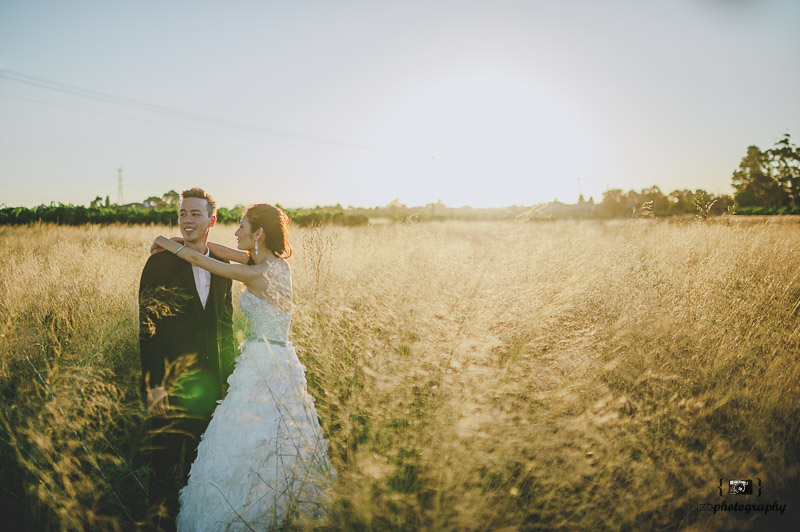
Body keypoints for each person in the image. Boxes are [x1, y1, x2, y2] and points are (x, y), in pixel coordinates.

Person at [152, 203, 335, 531]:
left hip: (261, 365)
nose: (236, 232)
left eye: (241, 226)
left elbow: (199, 259)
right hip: (283, 359)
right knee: (275, 435)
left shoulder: (255, 272)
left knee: (247, 436)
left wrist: (163, 240)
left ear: (258, 233)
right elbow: (212, 250)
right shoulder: (275, 264)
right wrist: (195, 241)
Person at [138, 188, 237, 532]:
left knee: (200, 466)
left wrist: (230, 378)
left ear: (212, 221)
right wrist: (154, 386)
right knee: (163, 467)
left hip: (211, 384)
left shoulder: (222, 264)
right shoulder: (160, 262)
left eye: (195, 214)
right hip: (170, 383)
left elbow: (226, 322)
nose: (187, 220)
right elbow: (147, 326)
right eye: (182, 214)